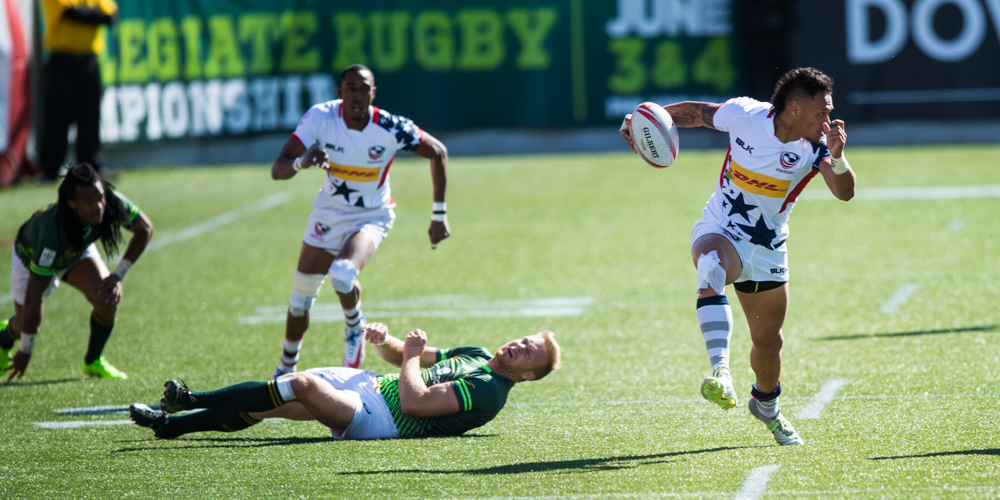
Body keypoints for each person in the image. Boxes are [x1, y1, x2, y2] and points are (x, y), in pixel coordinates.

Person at [619, 67, 855, 445]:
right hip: (720, 228)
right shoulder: (746, 115)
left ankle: (766, 405)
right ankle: (721, 373)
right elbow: (697, 113)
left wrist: (839, 157)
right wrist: (648, 120)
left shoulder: (817, 147)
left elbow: (844, 192)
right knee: (710, 266)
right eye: (821, 112)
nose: (829, 121)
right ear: (793, 109)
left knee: (769, 342)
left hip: (767, 248)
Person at [269, 64, 449, 377]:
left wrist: (438, 216)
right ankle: (285, 369)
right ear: (339, 93)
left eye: (364, 89)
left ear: (373, 93)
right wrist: (302, 161)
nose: (357, 95)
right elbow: (278, 168)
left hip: (371, 216)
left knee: (341, 274)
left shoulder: (390, 127)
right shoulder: (321, 117)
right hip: (328, 213)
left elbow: (438, 152)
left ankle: (354, 326)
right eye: (350, 88)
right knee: (299, 300)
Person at [129, 322, 561, 440]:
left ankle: (187, 398)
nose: (519, 346)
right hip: (372, 386)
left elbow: (415, 402)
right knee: (273, 403)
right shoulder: (479, 356)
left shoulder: (490, 390)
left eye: (529, 353)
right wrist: (388, 341)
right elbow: (404, 357)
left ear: (526, 376)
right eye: (524, 340)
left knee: (298, 386)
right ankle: (171, 426)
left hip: (383, 418)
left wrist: (408, 357)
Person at [0, 163, 153, 380]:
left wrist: (118, 275)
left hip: (76, 250)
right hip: (32, 259)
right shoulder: (51, 232)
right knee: (27, 324)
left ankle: (93, 361)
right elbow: (34, 293)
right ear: (71, 203)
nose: (99, 206)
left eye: (99, 197)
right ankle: (5, 336)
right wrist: (25, 349)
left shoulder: (111, 202)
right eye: (89, 202)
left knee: (107, 299)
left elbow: (144, 229)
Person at [39, 0, 118, 181]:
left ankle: (90, 168)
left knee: (90, 116)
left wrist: (86, 12)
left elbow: (110, 16)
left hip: (90, 60)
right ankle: (50, 169)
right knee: (58, 117)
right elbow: (70, 14)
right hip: (63, 59)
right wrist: (92, 13)